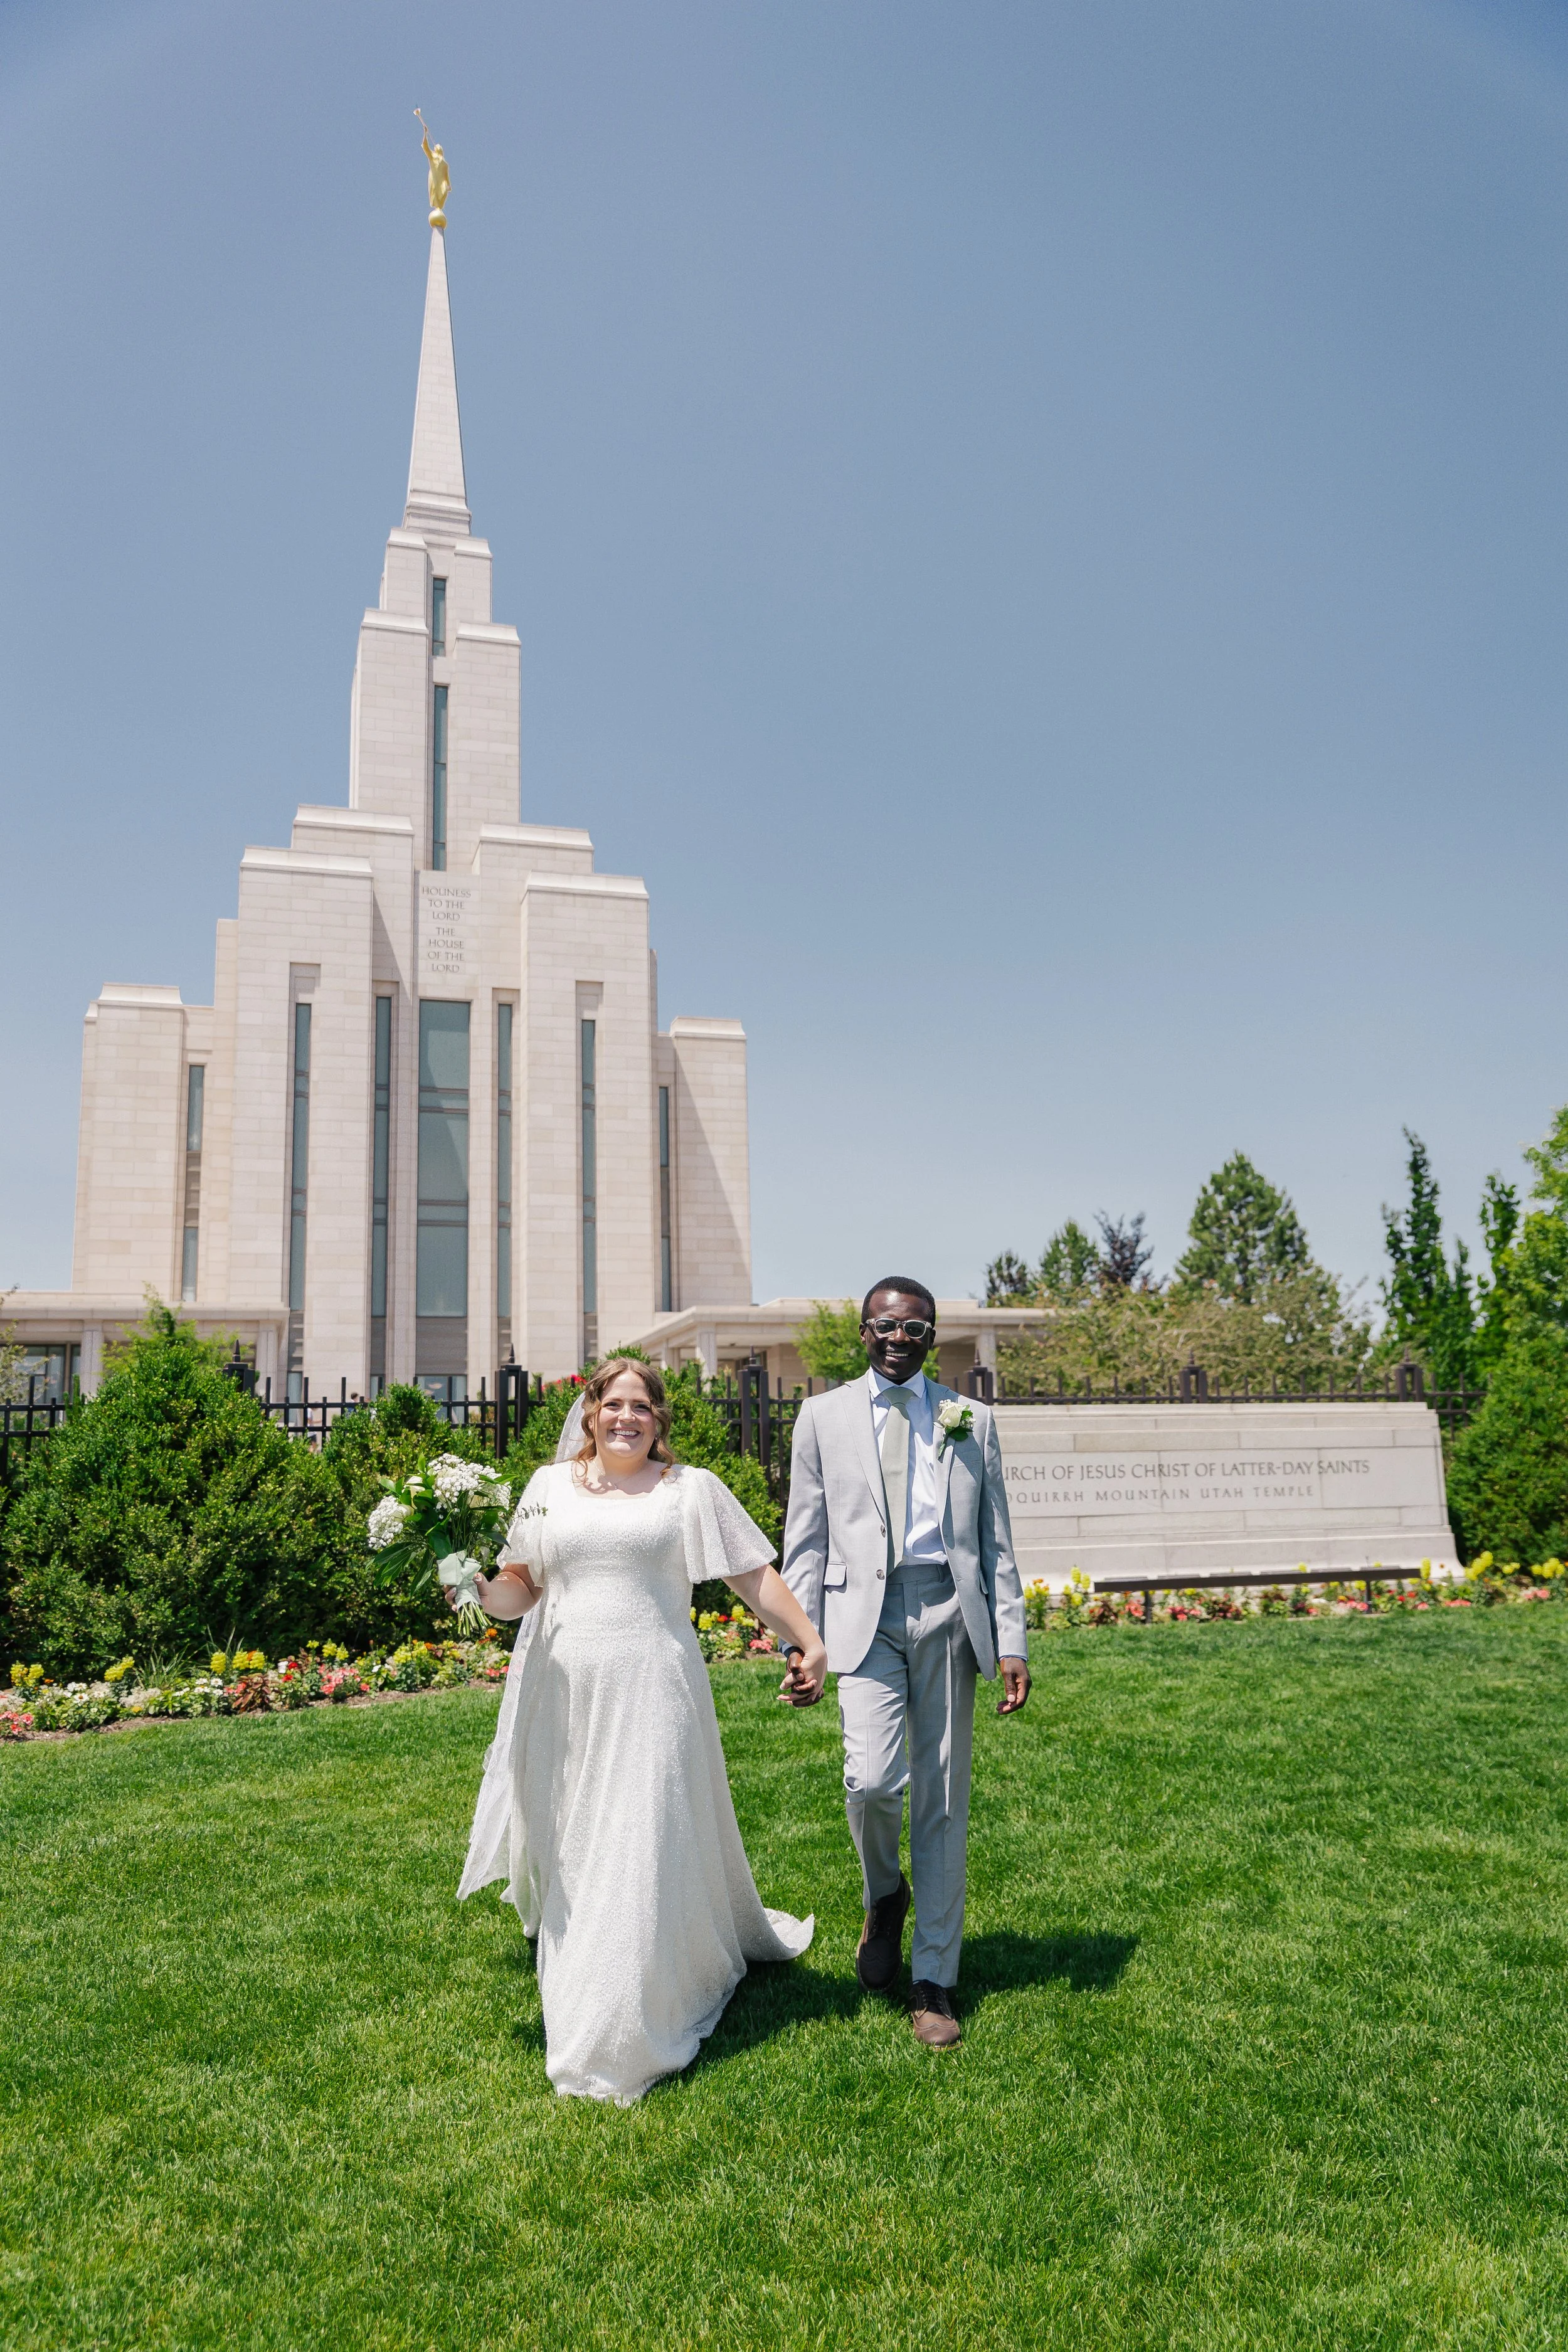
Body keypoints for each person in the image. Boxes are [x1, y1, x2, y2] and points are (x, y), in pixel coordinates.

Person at [457, 1358, 826, 2104]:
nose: (626, 1418)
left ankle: (616, 2024)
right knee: (581, 1838)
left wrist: (808, 1641)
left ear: (659, 1420)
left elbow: (752, 1576)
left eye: (641, 1407)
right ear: (589, 1413)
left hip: (656, 1688)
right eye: (613, 1404)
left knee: (639, 1835)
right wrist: (465, 1578)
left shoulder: (689, 1490)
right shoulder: (546, 1487)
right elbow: (516, 1593)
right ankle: (598, 1959)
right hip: (563, 1694)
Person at [781, 1279, 1029, 2049]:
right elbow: (807, 1536)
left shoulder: (971, 1421)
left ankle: (934, 1979)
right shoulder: (821, 1417)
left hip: (949, 1613)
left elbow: (996, 1542)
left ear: (932, 1337)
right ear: (863, 1332)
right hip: (861, 1620)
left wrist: (1012, 1637)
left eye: (915, 1326)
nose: (899, 1336)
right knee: (871, 1780)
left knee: (944, 1798)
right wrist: (800, 1639)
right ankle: (884, 1894)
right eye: (886, 1325)